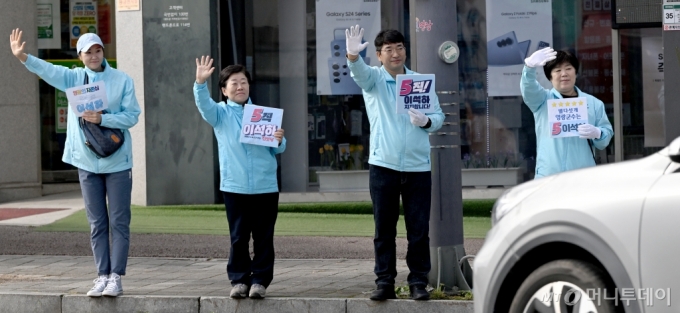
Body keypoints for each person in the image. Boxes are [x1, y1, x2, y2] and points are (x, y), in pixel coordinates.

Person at [9, 29, 141, 297]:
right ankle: (102, 275)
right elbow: (47, 70)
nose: (93, 56)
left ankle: (116, 276)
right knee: (96, 223)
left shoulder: (121, 79)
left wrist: (103, 119)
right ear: (80, 56)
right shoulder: (73, 78)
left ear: (103, 52)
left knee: (119, 221)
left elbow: (132, 116)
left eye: (97, 50)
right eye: (88, 52)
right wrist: (23, 56)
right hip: (86, 161)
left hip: (117, 161)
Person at [345, 25, 445, 301]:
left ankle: (418, 283)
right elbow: (360, 74)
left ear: (405, 50)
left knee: (418, 230)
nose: (395, 53)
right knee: (384, 230)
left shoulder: (420, 82)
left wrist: (426, 121)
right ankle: (385, 282)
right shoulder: (374, 79)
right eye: (388, 49)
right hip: (384, 165)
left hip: (418, 167)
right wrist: (353, 56)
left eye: (399, 47)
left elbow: (438, 116)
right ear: (379, 55)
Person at [193, 56, 286, 299]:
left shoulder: (263, 114)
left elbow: (278, 148)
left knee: (264, 238)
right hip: (235, 187)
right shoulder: (220, 114)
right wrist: (200, 83)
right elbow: (204, 105)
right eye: (233, 83)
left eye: (243, 82)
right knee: (238, 237)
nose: (240, 87)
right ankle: (239, 279)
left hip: (265, 186)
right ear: (224, 90)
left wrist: (279, 138)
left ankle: (260, 281)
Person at [521, 48, 613, 178]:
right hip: (548, 176)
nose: (564, 74)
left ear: (576, 72)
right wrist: (529, 68)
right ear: (550, 77)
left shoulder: (593, 103)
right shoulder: (542, 100)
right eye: (558, 70)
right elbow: (529, 89)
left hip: (582, 177)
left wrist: (598, 133)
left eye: (568, 68)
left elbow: (604, 140)